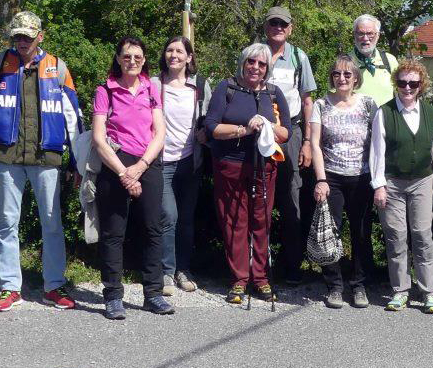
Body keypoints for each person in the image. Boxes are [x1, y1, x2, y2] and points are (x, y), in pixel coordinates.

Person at [0, 11, 83, 313]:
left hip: (47, 157)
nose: (23, 40)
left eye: (28, 35)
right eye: (18, 36)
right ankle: (10, 287)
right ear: (11, 37)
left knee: (52, 225)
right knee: (7, 224)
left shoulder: (57, 67)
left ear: (40, 36)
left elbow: (73, 117)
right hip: (7, 158)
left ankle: (54, 286)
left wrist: (77, 161)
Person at [91, 36, 173, 320]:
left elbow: (160, 132)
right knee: (114, 234)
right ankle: (113, 296)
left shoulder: (151, 88)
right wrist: (125, 172)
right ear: (118, 58)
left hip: (147, 162)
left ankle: (153, 293)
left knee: (153, 230)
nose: (133, 61)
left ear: (144, 59)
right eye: (127, 56)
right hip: (116, 163)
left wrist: (140, 167)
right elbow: (99, 139)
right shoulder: (106, 90)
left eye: (138, 57)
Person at [204, 43, 291, 304]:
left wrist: (265, 125)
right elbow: (212, 127)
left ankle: (261, 279)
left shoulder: (273, 93)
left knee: (261, 220)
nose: (255, 68)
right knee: (234, 222)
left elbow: (285, 132)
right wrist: (244, 129)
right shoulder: (227, 88)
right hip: (230, 164)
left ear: (267, 68)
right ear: (243, 63)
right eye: (251, 62)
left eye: (261, 64)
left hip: (263, 166)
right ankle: (239, 280)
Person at [370, 60, 433, 314]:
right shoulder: (384, 113)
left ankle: (429, 291)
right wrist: (379, 185)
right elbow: (377, 152)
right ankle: (400, 290)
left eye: (413, 83)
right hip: (392, 182)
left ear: (421, 85)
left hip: (422, 180)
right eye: (402, 82)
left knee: (422, 234)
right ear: (396, 84)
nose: (407, 87)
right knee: (396, 236)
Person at [309, 54, 378, 309]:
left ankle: (358, 285)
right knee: (330, 232)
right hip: (332, 177)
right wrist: (321, 179)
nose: (342, 78)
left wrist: (379, 178)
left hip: (362, 176)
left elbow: (378, 144)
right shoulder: (321, 104)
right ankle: (334, 286)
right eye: (337, 74)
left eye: (347, 74)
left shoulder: (369, 105)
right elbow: (315, 144)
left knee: (362, 232)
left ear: (356, 78)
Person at [262, 7, 317, 285]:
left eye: (283, 24)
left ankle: (292, 266)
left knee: (290, 198)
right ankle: (258, 267)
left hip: (291, 132)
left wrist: (307, 141)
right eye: (273, 23)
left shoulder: (299, 57)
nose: (278, 28)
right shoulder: (253, 54)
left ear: (290, 28)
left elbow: (308, 101)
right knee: (258, 198)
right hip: (258, 133)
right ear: (266, 27)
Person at [152, 36, 210, 295]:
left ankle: (183, 270)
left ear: (189, 57)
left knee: (186, 219)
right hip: (162, 160)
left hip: (190, 161)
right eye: (169, 50)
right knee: (168, 216)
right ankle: (165, 272)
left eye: (179, 51)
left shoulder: (199, 86)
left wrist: (205, 133)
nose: (173, 55)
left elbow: (211, 118)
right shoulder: (154, 84)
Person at [349, 14, 399, 105]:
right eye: (360, 33)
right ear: (354, 35)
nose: (365, 38)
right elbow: (335, 98)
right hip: (355, 118)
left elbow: (401, 94)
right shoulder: (344, 62)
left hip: (385, 118)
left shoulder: (389, 61)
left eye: (370, 33)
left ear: (378, 35)